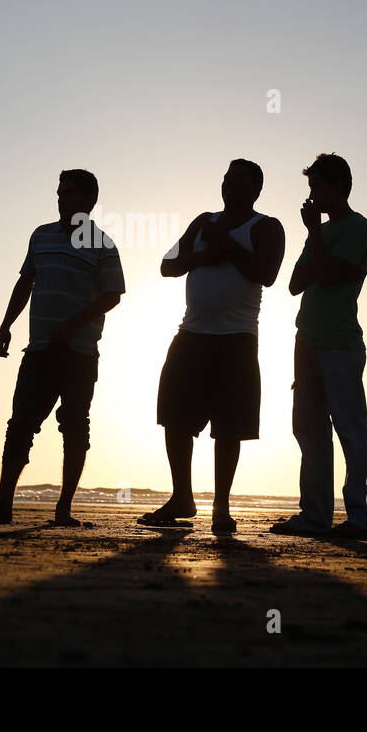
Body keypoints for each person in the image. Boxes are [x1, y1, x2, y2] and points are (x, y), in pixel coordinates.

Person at [0, 170, 125, 527]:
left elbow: (113, 295)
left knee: (75, 426)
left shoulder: (103, 245)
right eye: (60, 193)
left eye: (70, 194)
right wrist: (6, 325)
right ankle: (3, 503)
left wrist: (74, 323)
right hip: (39, 350)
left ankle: (64, 509)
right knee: (20, 424)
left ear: (89, 200)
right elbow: (26, 281)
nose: (62, 199)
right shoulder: (42, 235)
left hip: (79, 353)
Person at [139, 160, 284, 535]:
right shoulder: (204, 221)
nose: (228, 184)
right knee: (174, 416)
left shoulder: (267, 227)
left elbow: (266, 275)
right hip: (191, 335)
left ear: (256, 188)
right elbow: (167, 266)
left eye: (238, 179)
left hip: (236, 340)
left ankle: (221, 506)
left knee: (230, 426)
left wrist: (228, 246)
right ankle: (182, 497)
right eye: (225, 178)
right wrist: (202, 256)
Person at [271, 153, 367, 541]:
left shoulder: (358, 228)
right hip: (307, 341)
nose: (313, 195)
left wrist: (316, 237)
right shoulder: (317, 234)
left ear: (340, 186)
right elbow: (296, 282)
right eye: (311, 187)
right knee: (309, 429)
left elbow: (333, 274)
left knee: (351, 430)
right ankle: (315, 515)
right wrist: (318, 246)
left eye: (318, 186)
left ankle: (362, 518)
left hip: (340, 343)